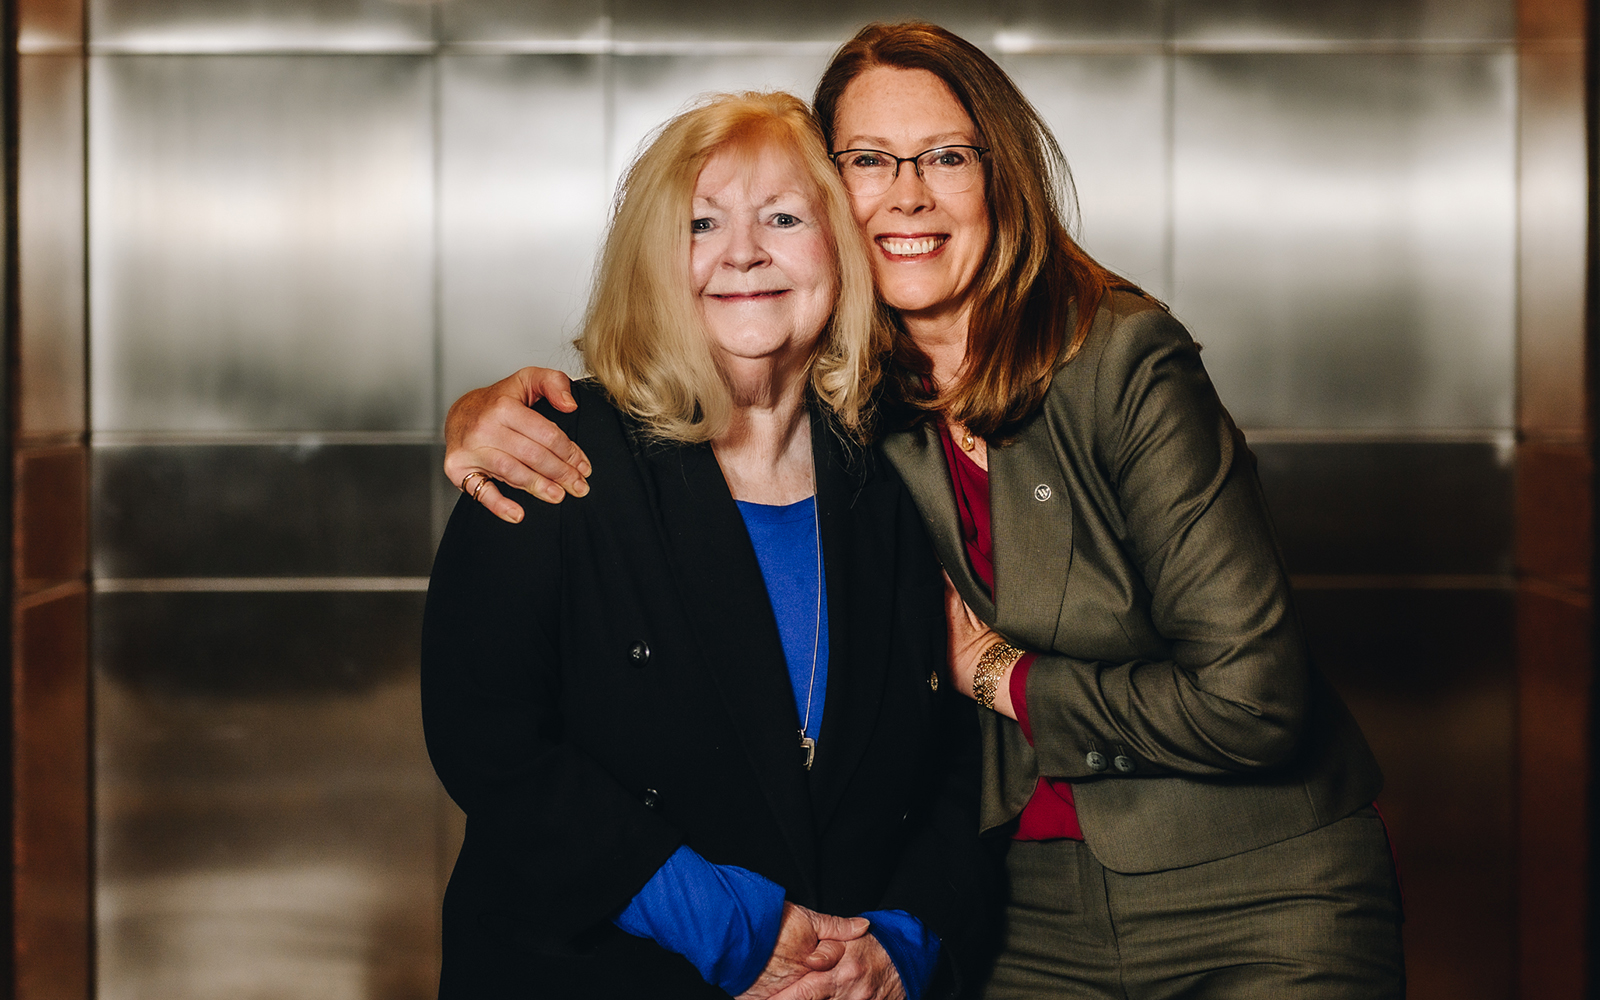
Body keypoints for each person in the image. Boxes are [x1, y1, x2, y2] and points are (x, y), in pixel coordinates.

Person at [441, 22, 1405, 1000]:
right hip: (1025, 907)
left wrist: (995, 675)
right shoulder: (857, 414)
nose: (906, 194)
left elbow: (1248, 700)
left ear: (1001, 177)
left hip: (1247, 889)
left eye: (945, 156)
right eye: (867, 160)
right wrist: (480, 411)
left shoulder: (1115, 362)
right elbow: (497, 725)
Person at [421, 90, 994, 1000]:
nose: (744, 253)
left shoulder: (896, 478)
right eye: (702, 223)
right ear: (655, 262)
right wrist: (728, 927)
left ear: (837, 252)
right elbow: (486, 739)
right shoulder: (553, 451)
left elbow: (961, 759)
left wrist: (904, 944)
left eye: (783, 217)